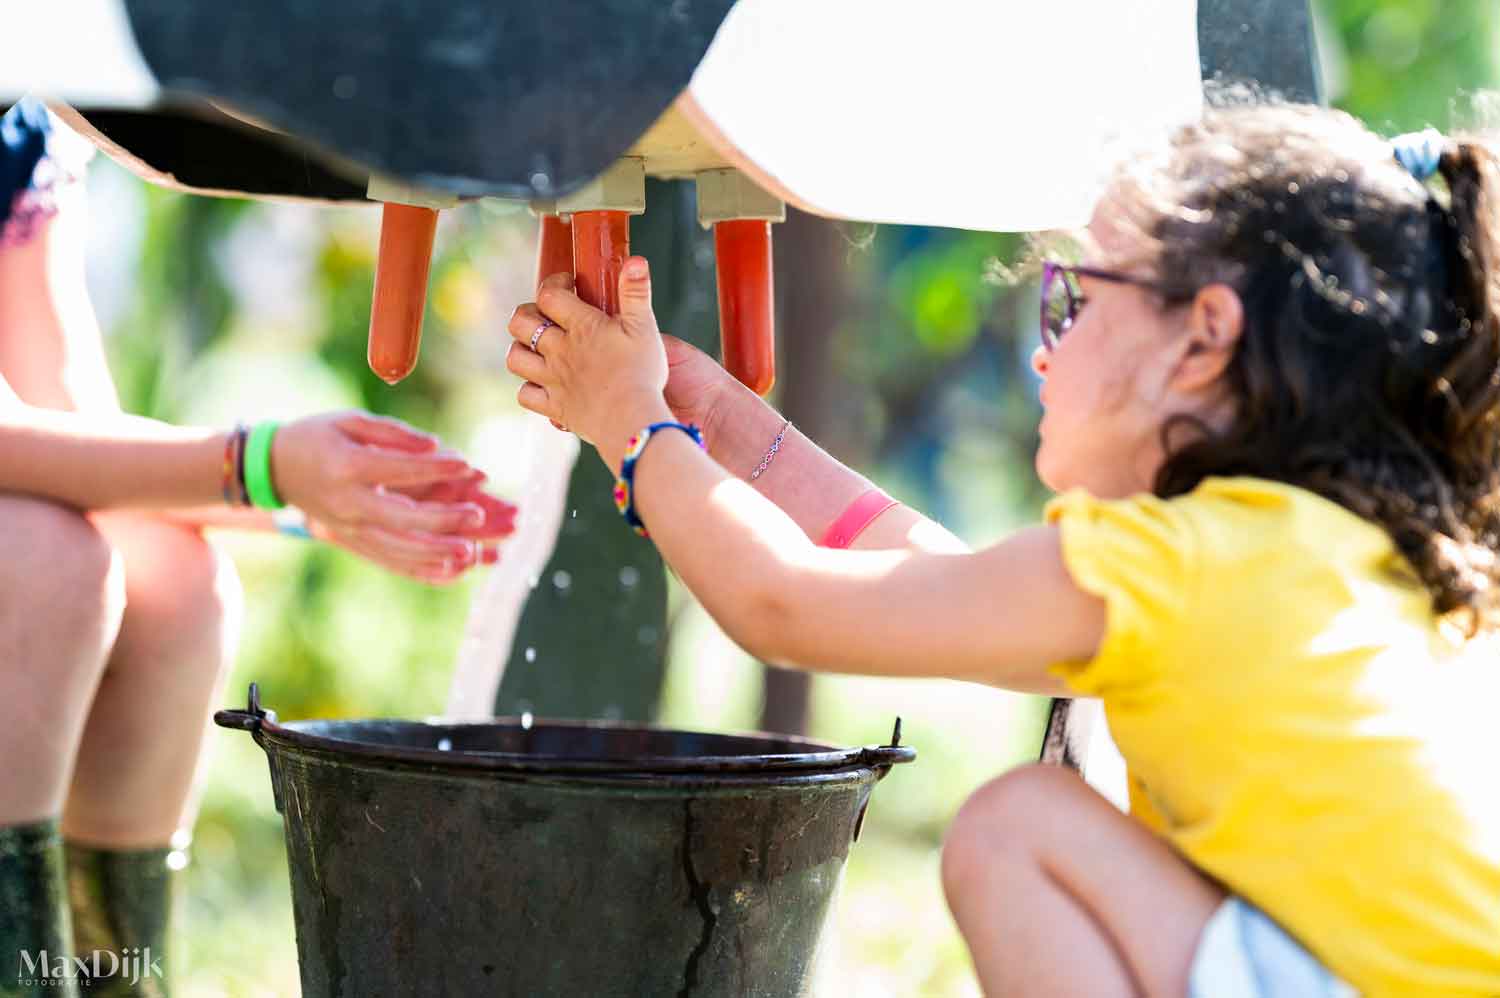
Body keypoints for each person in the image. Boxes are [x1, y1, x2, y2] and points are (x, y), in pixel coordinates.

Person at [502, 102, 1500, 996]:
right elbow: (935, 579)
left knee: (1018, 826)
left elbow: (783, 606)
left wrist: (631, 427)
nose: (1042, 347)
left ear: (1203, 338)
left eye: (1076, 301)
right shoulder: (1306, 548)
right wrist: (727, 431)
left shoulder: (1187, 560)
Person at [0, 99, 516, 996]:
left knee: (177, 580)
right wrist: (263, 466)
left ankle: (117, 977)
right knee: (49, 565)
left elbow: (62, 422)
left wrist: (315, 503)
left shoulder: (25, 108)